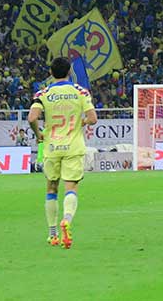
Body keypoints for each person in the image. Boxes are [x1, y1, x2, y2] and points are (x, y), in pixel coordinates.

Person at [27, 56, 98, 248]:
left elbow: (32, 117)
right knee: (71, 187)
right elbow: (93, 118)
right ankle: (67, 219)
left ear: (51, 73)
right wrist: (80, 122)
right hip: (73, 146)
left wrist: (39, 133)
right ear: (69, 73)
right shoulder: (80, 91)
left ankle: (52, 234)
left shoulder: (42, 93)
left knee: (51, 189)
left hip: (52, 147)